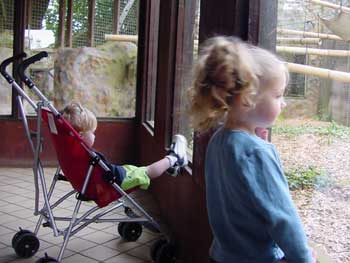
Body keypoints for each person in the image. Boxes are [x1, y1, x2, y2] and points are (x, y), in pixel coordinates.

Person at [189, 36, 315, 263]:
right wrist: (305, 260)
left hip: (221, 255)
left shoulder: (219, 140)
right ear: (248, 98)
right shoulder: (255, 153)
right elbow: (284, 218)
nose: (283, 102)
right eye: (278, 95)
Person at [62, 102, 188, 191]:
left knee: (133, 169)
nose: (95, 136)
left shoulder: (70, 150)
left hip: (87, 184)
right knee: (147, 171)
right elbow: (108, 174)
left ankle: (172, 167)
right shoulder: (91, 156)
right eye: (92, 132)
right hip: (111, 183)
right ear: (81, 136)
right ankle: (175, 158)